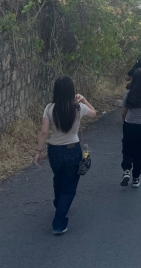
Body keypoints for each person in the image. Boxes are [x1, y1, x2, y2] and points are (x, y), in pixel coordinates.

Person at [35, 76, 97, 235]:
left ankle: (59, 203)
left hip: (54, 150)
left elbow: (43, 131)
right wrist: (84, 100)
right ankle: (59, 222)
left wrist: (38, 151)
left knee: (58, 177)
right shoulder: (79, 108)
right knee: (69, 187)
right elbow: (94, 113)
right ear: (71, 91)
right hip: (72, 150)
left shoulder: (49, 108)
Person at [120, 68, 141, 188]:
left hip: (129, 124)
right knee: (140, 151)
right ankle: (136, 178)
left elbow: (123, 111)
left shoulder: (128, 93)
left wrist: (124, 122)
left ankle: (126, 170)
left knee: (127, 148)